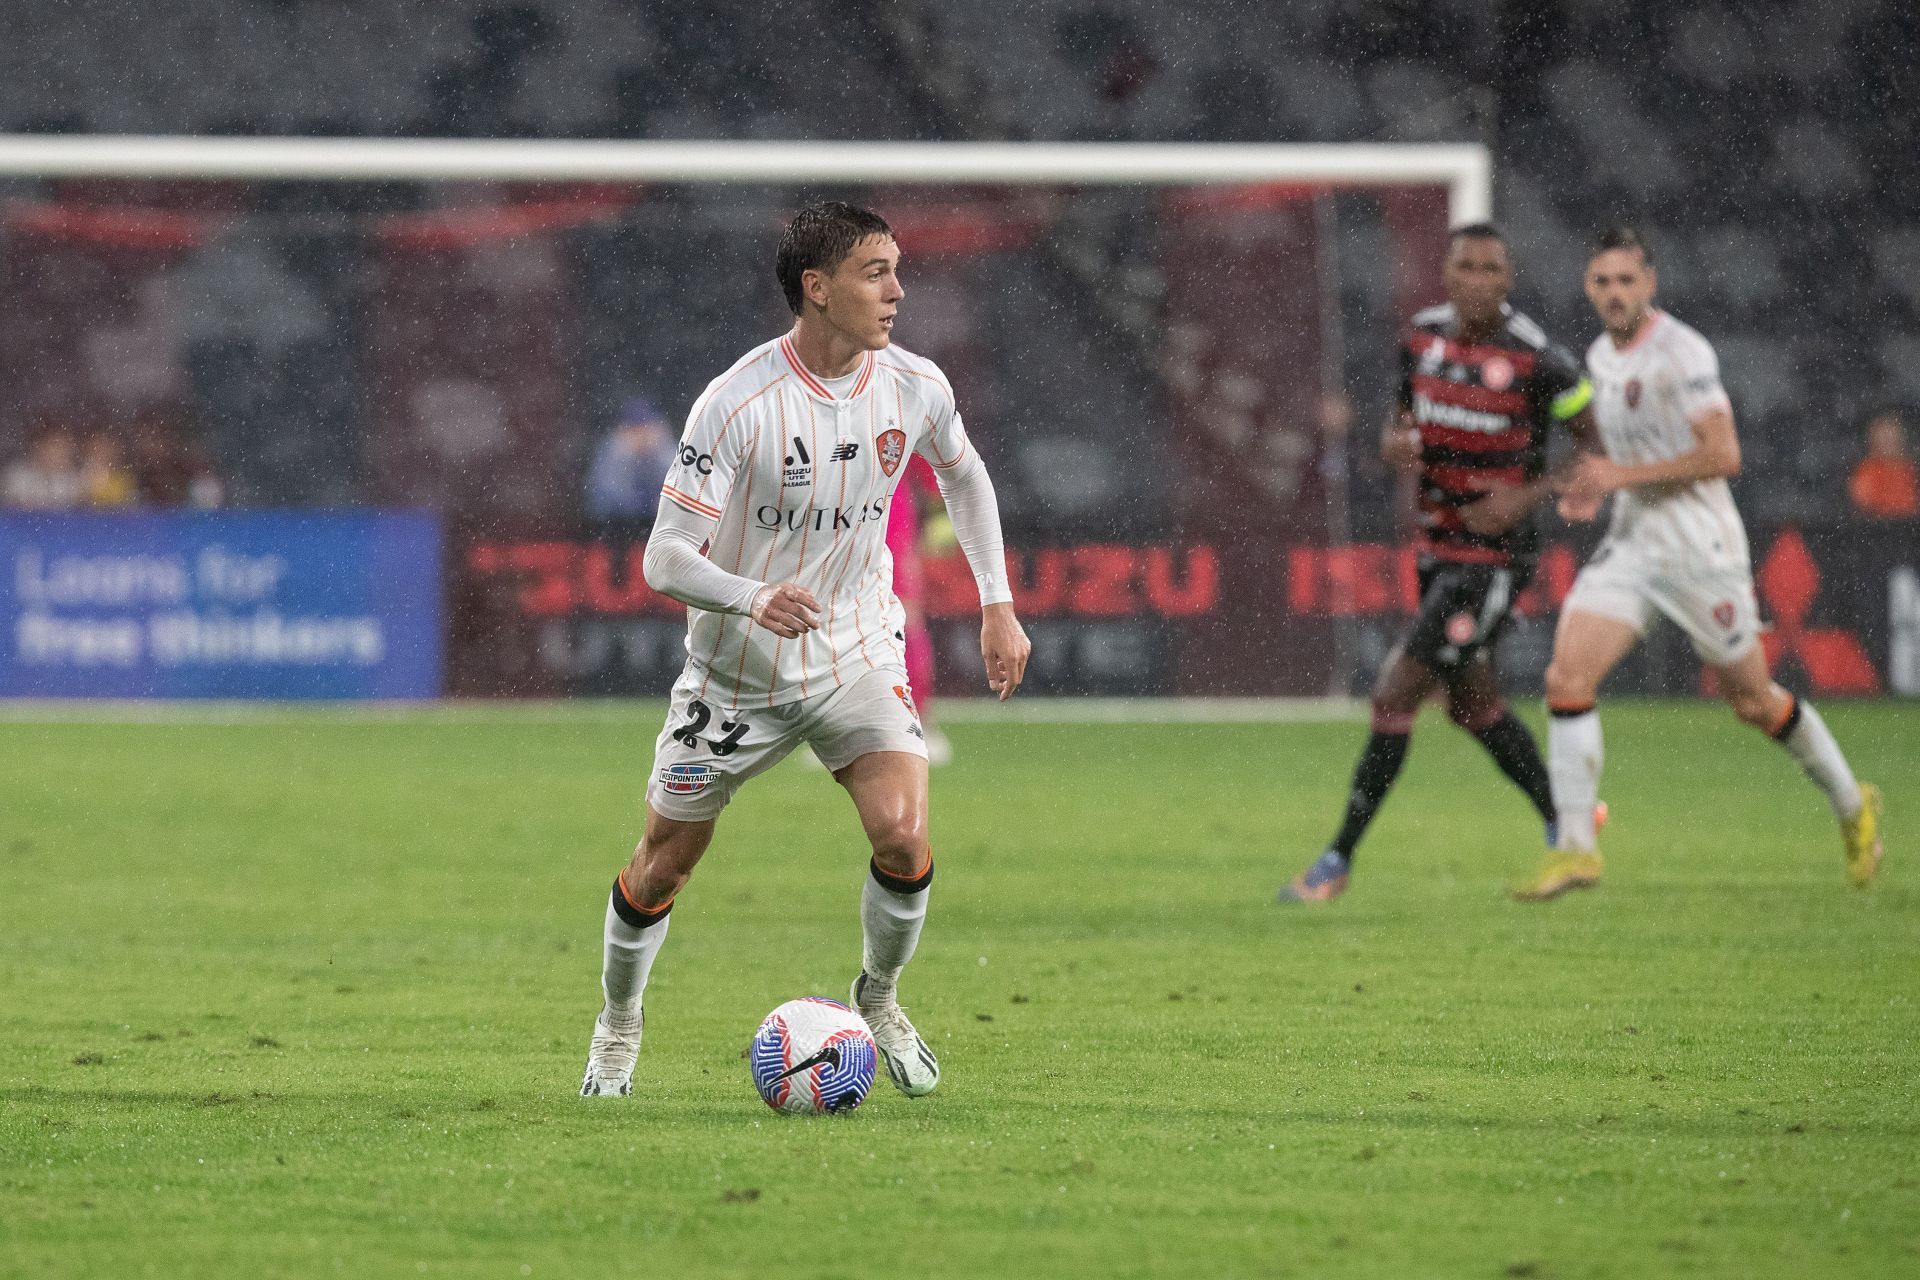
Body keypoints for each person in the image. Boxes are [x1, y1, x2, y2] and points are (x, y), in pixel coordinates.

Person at [579, 201, 1031, 1099]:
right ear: (816, 289)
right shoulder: (738, 402)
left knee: (903, 838)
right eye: (875, 272)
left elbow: (966, 475)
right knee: (662, 862)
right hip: (736, 673)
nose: (897, 290)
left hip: (858, 648)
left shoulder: (914, 384)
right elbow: (662, 555)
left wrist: (998, 603)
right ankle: (618, 1024)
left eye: (897, 268)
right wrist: (752, 596)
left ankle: (880, 993)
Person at [1520, 226, 1881, 900]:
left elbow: (1723, 456)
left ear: (1650, 284)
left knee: (1752, 701)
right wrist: (1591, 489)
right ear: (1588, 288)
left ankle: (1852, 805)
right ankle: (1575, 850)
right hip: (1632, 546)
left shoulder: (1682, 353)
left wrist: (1618, 476)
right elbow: (1621, 458)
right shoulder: (1600, 355)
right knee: (1567, 676)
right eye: (1602, 282)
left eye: (1626, 280)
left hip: (1699, 550)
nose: (1614, 293)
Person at [1280, 223, 1599, 904]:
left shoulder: (1542, 360)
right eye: (1466, 267)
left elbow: (1595, 450)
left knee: (1395, 694)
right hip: (1435, 546)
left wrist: (1526, 495)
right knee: (1473, 704)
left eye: (1492, 269)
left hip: (1493, 561)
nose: (1479, 280)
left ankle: (1335, 863)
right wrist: (1394, 441)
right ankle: (1567, 822)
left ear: (1508, 280)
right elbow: (1398, 424)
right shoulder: (1421, 339)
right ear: (1447, 274)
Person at [887, 454, 955, 764]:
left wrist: (941, 514)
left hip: (891, 522)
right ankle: (841, 728)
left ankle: (919, 722)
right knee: (838, 620)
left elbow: (935, 462)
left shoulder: (897, 406)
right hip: (835, 524)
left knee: (904, 620)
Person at [585, 397, 677, 522]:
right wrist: (625, 459)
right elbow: (604, 500)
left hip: (661, 528)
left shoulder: (665, 450)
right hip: (615, 528)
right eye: (634, 429)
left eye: (646, 428)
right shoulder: (612, 451)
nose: (641, 436)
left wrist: (657, 452)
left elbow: (680, 487)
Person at [1847, 409, 1918, 519]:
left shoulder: (1912, 470)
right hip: (1876, 530)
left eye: (1893, 437)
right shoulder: (1865, 472)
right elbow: (1864, 506)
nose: (1889, 442)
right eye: (1884, 437)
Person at [3, 427, 85, 509]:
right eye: (52, 448)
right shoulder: (19, 477)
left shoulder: (74, 480)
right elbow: (12, 510)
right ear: (39, 448)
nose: (57, 454)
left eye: (62, 449)